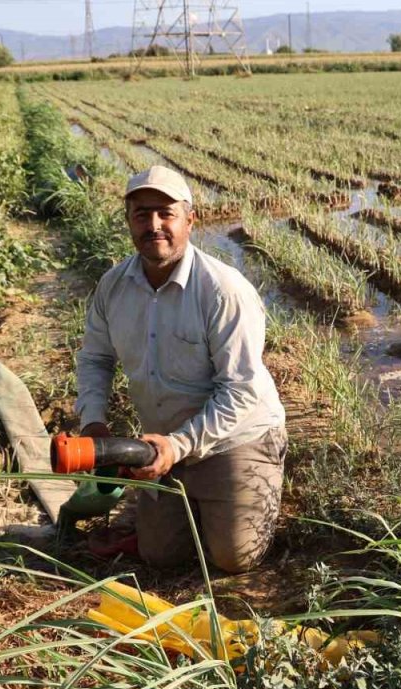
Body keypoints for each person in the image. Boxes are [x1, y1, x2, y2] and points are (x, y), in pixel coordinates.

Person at [74, 166, 287, 574]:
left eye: (165, 213)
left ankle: (255, 479)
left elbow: (240, 390)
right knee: (160, 557)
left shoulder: (223, 290)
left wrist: (178, 445)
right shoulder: (113, 286)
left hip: (234, 437)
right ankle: (183, 503)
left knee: (233, 559)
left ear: (190, 220)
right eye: (141, 215)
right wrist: (93, 422)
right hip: (164, 439)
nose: (153, 225)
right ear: (128, 222)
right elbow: (95, 359)